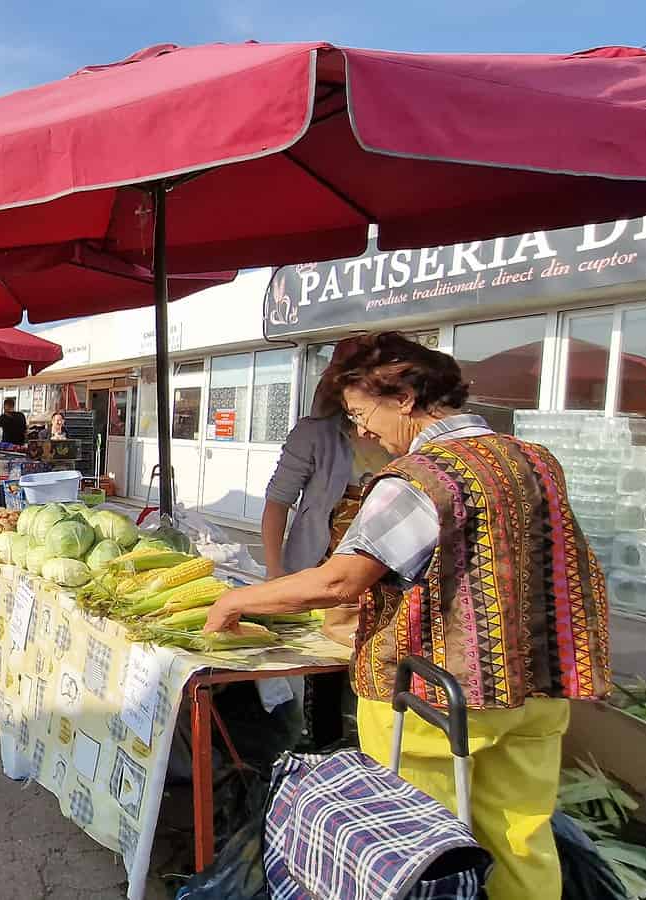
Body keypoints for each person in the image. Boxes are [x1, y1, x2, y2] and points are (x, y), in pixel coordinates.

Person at [203, 332, 611, 900]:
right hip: (538, 688)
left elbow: (341, 580)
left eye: (361, 412)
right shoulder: (533, 458)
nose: (361, 430)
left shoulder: (423, 477)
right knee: (521, 835)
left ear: (404, 398)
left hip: (439, 695)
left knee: (423, 850)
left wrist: (235, 599)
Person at [261, 336, 392, 745]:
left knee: (370, 664)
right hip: (321, 570)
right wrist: (275, 571)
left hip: (378, 576)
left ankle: (363, 743)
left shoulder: (405, 441)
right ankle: (321, 743)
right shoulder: (315, 435)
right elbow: (277, 502)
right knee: (322, 667)